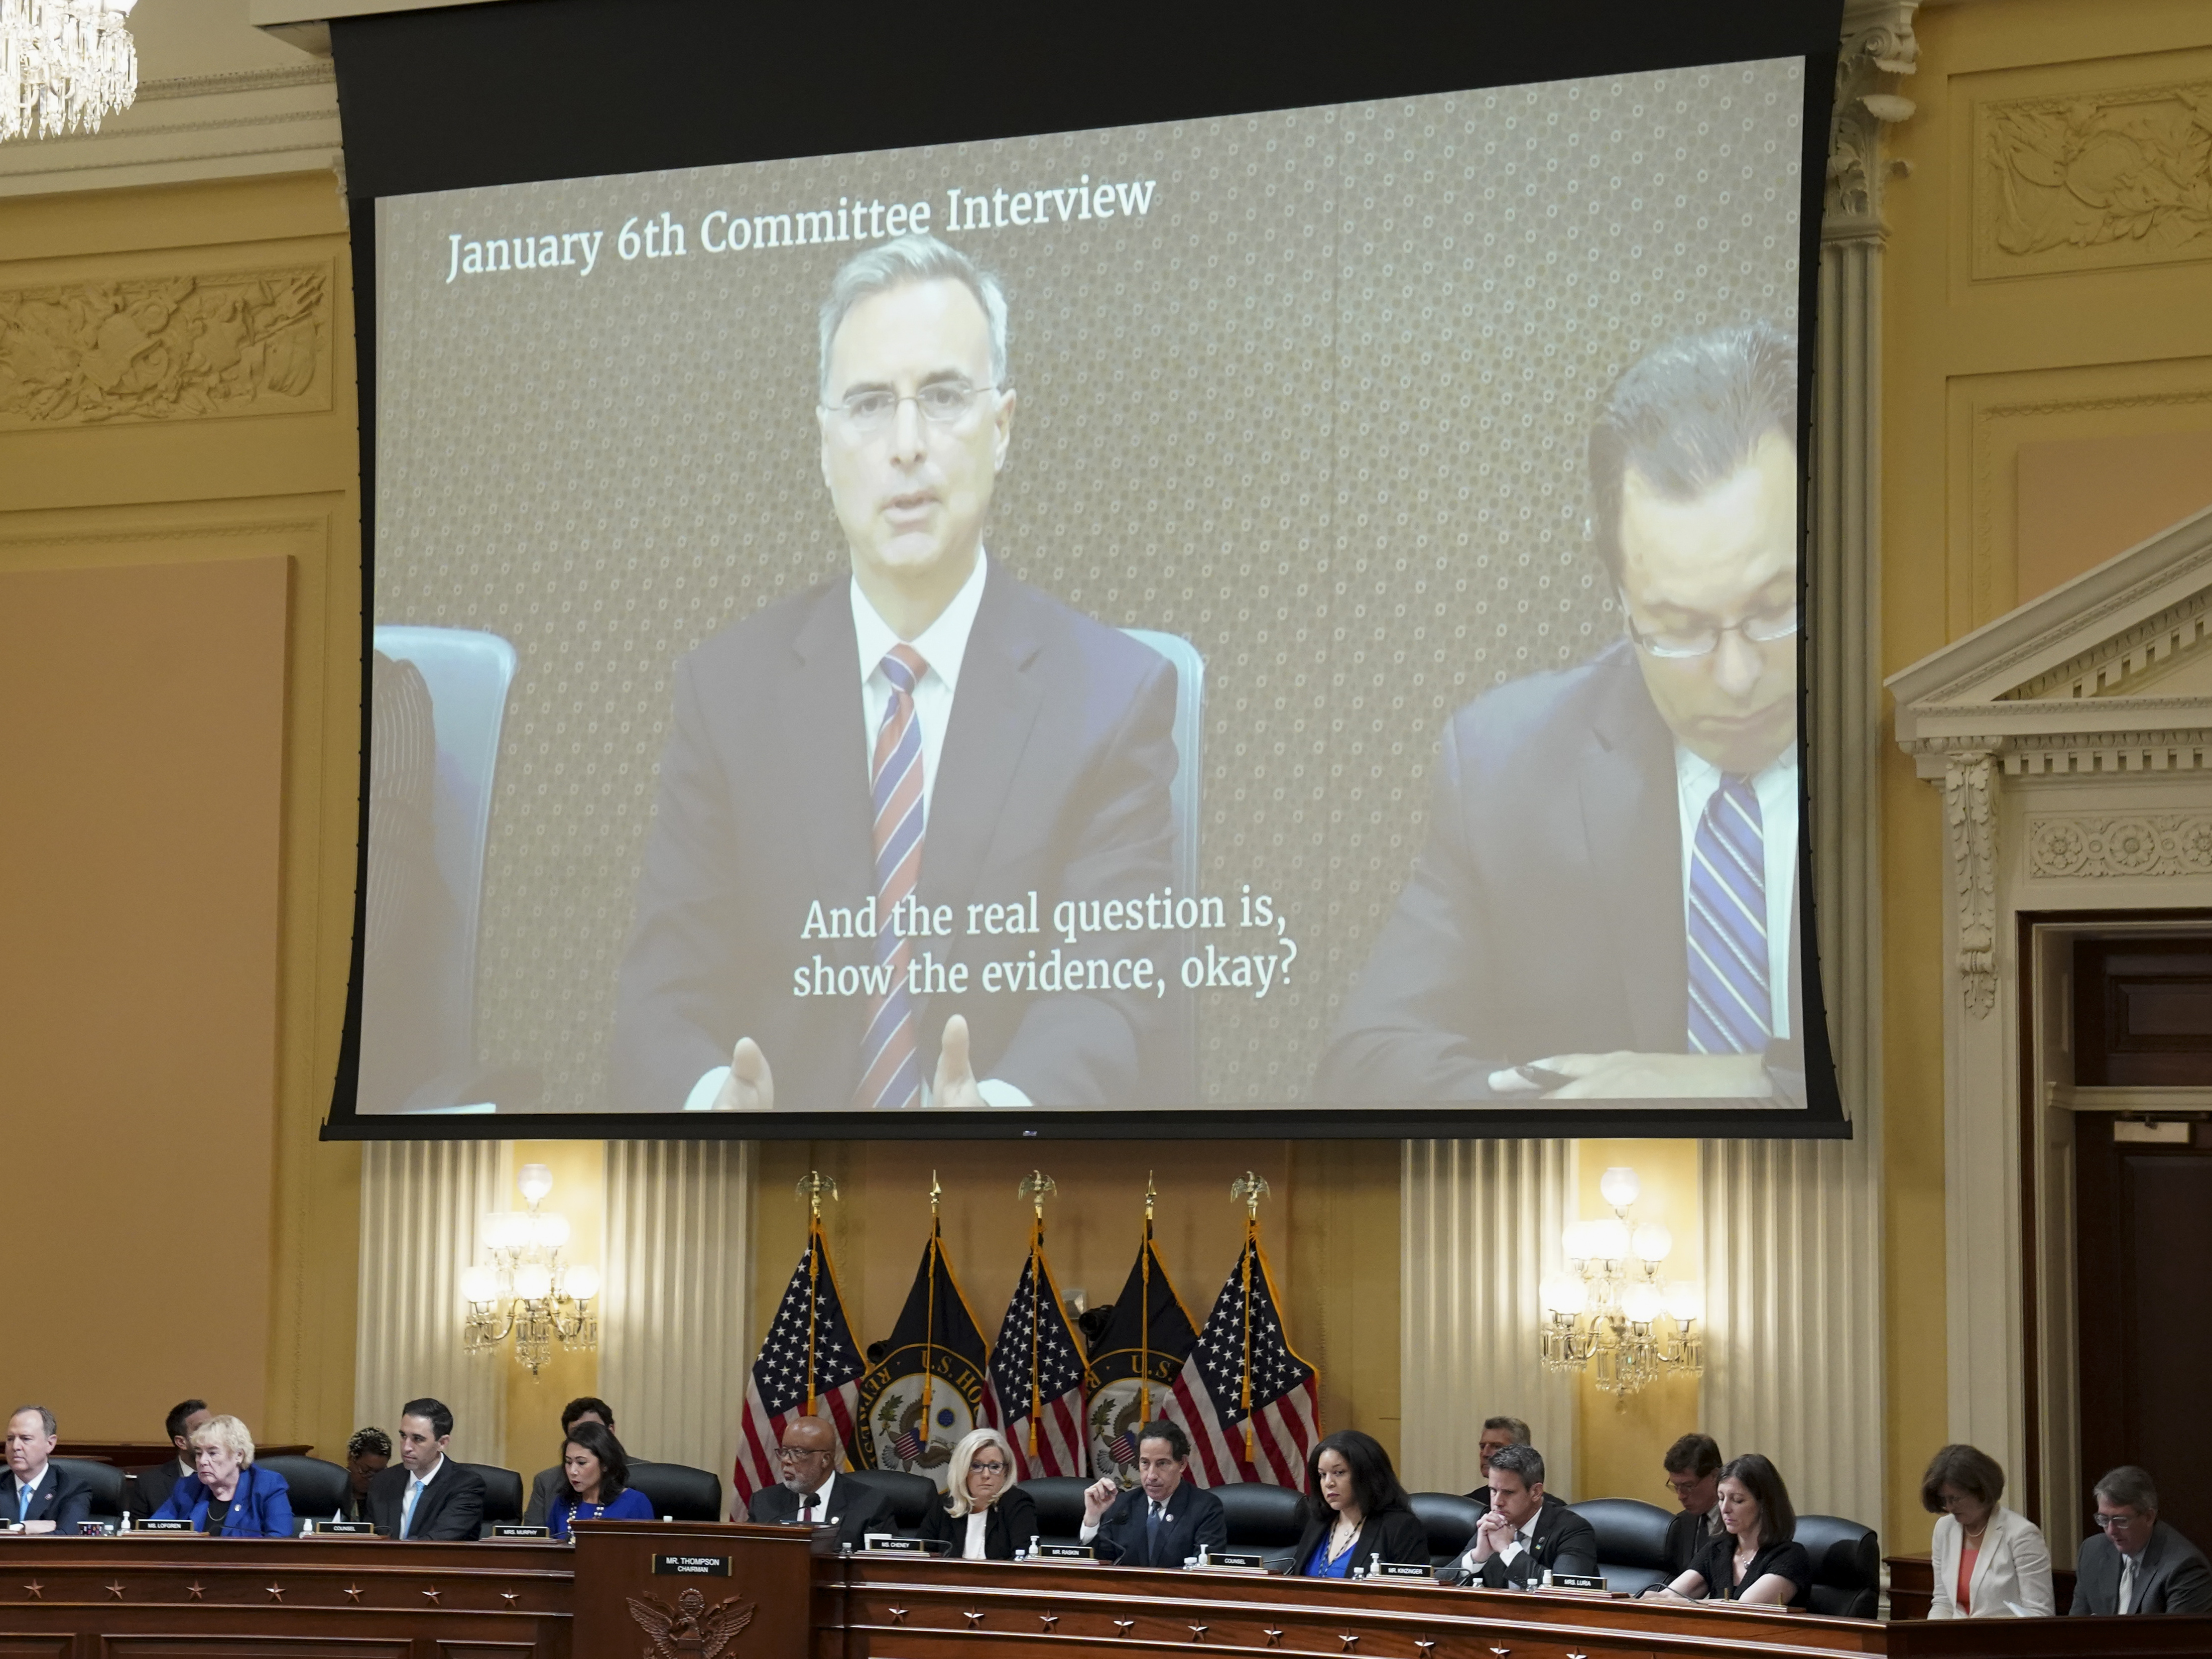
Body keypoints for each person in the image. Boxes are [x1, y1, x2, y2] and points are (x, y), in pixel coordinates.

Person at [610, 231, 1184, 1115]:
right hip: (772, 1193)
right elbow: (663, 989)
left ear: (1002, 430)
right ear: (824, 443)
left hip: (1016, 1202)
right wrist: (708, 1100)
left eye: (945, 397)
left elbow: (1109, 998)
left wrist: (1001, 1106)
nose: (908, 444)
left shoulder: (1115, 698)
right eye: (871, 404)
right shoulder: (725, 694)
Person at [1316, 322, 1805, 1105]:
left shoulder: (1928, 753)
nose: (1737, 673)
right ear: (1617, 599)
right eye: (1679, 630)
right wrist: (1589, 1109)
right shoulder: (1506, 769)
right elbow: (1365, 1068)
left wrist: (1742, 1084)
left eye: (1775, 609)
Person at [1647, 1452, 1809, 1607]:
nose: (1724, 1509)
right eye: (1721, 1498)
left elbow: (1745, 1608)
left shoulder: (1790, 1558)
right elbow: (1669, 1595)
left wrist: (1674, 1603)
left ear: (1764, 1505)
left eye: (1737, 1500)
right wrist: (1634, 1598)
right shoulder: (1718, 1550)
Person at [1921, 1443, 2053, 1618]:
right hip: (1955, 1640)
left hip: (2004, 1642)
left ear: (1981, 1491)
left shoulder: (2022, 1535)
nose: (1950, 1507)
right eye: (1943, 1500)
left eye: (1956, 1499)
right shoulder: (1944, 1529)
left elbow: (2039, 1613)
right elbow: (1943, 1602)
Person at [1080, 1418, 1227, 1568]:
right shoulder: (1121, 1505)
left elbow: (1206, 1570)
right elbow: (1096, 1567)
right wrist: (1092, 1519)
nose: (1151, 1476)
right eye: (1145, 1463)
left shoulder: (1205, 1508)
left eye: (1162, 1463)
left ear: (1182, 1464)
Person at [1446, 1443, 1597, 1587]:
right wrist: (1477, 1557)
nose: (1497, 1502)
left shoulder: (1573, 1529)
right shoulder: (1491, 1523)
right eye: (1493, 1490)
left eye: (1508, 1492)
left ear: (1536, 1492)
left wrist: (1507, 1550)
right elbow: (1436, 1584)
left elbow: (1565, 1590)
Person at [2071, 1465, 2212, 1615]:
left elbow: (2176, 1638)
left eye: (2121, 1520)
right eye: (2104, 1519)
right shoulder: (2092, 1552)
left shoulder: (2185, 1568)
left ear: (2149, 1517)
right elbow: (2074, 1630)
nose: (2111, 1530)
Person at [1287, 1429, 1428, 1579]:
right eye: (1323, 1475)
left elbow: (1411, 1596)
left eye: (1339, 1473)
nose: (1328, 1483)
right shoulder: (1319, 1523)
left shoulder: (1400, 1529)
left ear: (1367, 1475)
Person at [744, 1416, 896, 1550]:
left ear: (825, 1460)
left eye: (798, 1452)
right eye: (784, 1451)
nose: (786, 1460)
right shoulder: (765, 1503)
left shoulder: (870, 1504)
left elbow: (886, 1567)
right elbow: (746, 1556)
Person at [151, 1414, 293, 1537]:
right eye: (199, 1453)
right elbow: (153, 1531)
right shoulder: (188, 1487)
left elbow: (279, 1543)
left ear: (239, 1455)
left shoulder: (267, 1485)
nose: (202, 1461)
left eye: (212, 1453)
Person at [368, 1397, 487, 1540]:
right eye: (403, 1436)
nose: (406, 1448)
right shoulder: (383, 1481)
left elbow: (436, 1544)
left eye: (417, 1439)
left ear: (442, 1443)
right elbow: (368, 1539)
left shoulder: (466, 1485)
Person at [920, 1426, 1039, 1560]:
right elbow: (920, 1555)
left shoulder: (1017, 1504)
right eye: (976, 1466)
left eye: (995, 1467)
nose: (986, 1475)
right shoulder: (946, 1505)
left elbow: (1025, 1562)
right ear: (962, 1470)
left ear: (1006, 1471)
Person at [546, 1420, 655, 1538]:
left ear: (605, 1464)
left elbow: (645, 1552)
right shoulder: (563, 1502)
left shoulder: (635, 1503)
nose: (573, 1471)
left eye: (581, 1463)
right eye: (568, 1462)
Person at [526, 1397, 616, 1527]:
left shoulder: (641, 1478)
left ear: (611, 1431)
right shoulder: (549, 1484)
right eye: (577, 1434)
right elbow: (533, 1539)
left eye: (593, 1431)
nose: (583, 1438)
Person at [2, 1406, 89, 1533]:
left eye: (25, 1439)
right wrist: (22, 1528)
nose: (15, 1447)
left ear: (50, 1444)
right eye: (10, 1439)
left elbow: (68, 1539)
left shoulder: (72, 1489)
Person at [125, 1398, 208, 1520]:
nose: (211, 1433)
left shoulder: (229, 1478)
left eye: (212, 1426)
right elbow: (137, 1534)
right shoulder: (149, 1484)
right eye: (201, 1428)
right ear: (181, 1442)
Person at [1662, 1431, 1725, 1576]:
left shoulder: (1740, 1522)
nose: (1681, 1496)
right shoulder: (1679, 1525)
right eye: (1676, 1486)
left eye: (1688, 1486)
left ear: (1715, 1476)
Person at [1462, 1415, 1532, 1508]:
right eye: (1482, 1447)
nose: (1485, 1454)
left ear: (1522, 1452)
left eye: (1496, 1447)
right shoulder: (1466, 1507)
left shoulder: (1551, 1513)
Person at [337, 1428, 391, 1523]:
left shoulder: (386, 1500)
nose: (372, 1479)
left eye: (379, 1472)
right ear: (350, 1458)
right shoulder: (333, 1493)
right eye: (366, 1470)